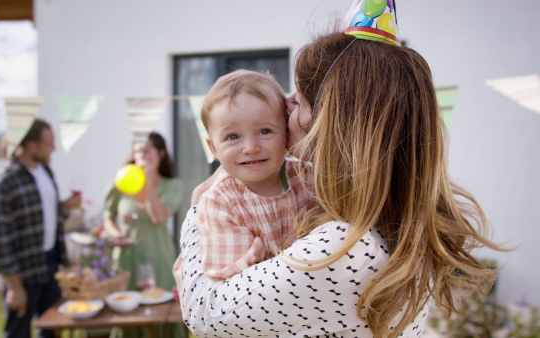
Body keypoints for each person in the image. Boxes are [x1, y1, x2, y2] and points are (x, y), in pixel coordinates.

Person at [177, 2, 504, 337]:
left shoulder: (341, 249)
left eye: (299, 101)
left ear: (331, 125)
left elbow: (207, 315)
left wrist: (198, 209)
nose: (286, 108)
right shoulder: (398, 223)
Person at [185, 69, 318, 281]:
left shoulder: (309, 178)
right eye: (233, 136)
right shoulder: (219, 203)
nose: (250, 147)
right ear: (213, 149)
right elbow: (234, 282)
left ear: (285, 134)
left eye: (265, 131)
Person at [0, 118, 81, 338]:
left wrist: (65, 206)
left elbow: (43, 214)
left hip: (50, 265)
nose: (54, 148)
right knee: (18, 333)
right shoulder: (5, 182)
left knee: (51, 330)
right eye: (49, 144)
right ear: (31, 145)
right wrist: (14, 287)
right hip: (23, 272)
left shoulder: (45, 171)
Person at [103, 131, 184, 338]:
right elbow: (108, 216)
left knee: (159, 315)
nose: (141, 157)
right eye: (138, 152)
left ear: (161, 154)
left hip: (158, 260)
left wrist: (147, 183)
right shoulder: (122, 182)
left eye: (147, 151)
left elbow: (157, 217)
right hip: (127, 260)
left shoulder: (172, 186)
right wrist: (115, 234)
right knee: (127, 315)